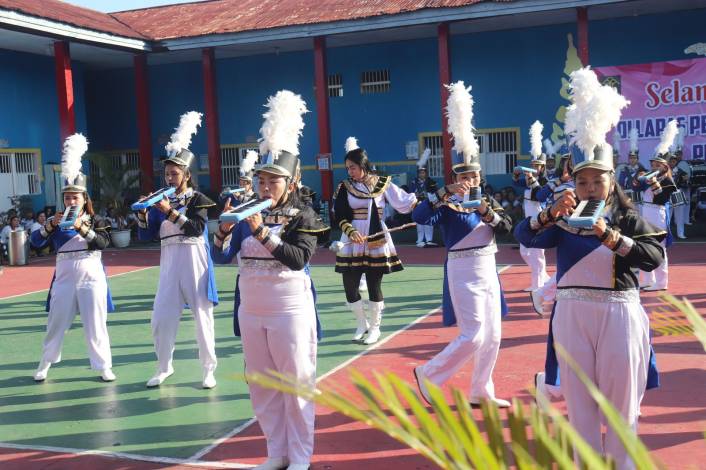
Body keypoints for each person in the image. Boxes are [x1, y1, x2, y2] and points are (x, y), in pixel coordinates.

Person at [212, 90, 328, 470]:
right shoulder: (247, 213)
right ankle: (276, 452)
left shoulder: (304, 215)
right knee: (261, 386)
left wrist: (264, 233)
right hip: (252, 310)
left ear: (290, 183)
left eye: (273, 181)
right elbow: (221, 257)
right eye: (261, 180)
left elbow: (298, 259)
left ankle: (300, 456)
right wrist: (224, 230)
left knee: (295, 385)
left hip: (289, 310)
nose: (265, 187)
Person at [412, 157, 513, 409]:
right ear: (456, 180)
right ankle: (429, 373)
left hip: (488, 267)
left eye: (474, 176)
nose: (470, 181)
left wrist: (484, 210)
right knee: (474, 334)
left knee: (493, 335)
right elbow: (420, 215)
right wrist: (444, 192)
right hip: (463, 269)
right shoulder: (447, 205)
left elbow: (507, 228)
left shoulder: (487, 202)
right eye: (464, 177)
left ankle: (481, 390)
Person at [136, 111, 219, 389]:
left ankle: (208, 370)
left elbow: (196, 228)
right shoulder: (160, 200)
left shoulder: (199, 199)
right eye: (167, 173)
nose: (170, 178)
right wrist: (143, 215)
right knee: (161, 316)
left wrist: (169, 211)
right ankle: (164, 366)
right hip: (169, 259)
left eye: (175, 173)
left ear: (186, 175)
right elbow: (147, 235)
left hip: (195, 259)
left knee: (202, 317)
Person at [30, 133, 115, 382]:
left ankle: (103, 366)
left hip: (91, 276)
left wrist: (81, 227)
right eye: (67, 197)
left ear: (84, 198)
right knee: (56, 324)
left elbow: (102, 243)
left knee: (96, 324)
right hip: (64, 277)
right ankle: (45, 363)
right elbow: (35, 244)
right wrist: (48, 227)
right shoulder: (55, 222)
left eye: (75, 197)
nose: (70, 200)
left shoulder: (95, 219)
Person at [334, 137, 418, 344]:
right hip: (353, 238)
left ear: (363, 165)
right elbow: (340, 214)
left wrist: (426, 204)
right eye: (347, 168)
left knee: (373, 284)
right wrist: (350, 231)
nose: (350, 172)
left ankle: (375, 328)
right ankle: (361, 323)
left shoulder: (383, 183)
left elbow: (404, 202)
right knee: (350, 286)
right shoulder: (345, 186)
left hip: (376, 238)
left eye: (353, 167)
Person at [637, 147, 676, 291]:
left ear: (664, 166)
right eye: (652, 164)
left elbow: (661, 198)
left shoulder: (668, 180)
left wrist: (653, 182)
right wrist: (638, 177)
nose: (654, 167)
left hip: (657, 213)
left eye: (657, 165)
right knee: (645, 245)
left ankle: (661, 282)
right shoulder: (649, 175)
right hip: (645, 211)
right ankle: (648, 280)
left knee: (659, 247)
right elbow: (635, 188)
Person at [407, 150, 438, 247]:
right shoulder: (413, 182)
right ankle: (420, 239)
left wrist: (428, 195)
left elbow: (435, 192)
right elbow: (411, 192)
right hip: (418, 204)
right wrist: (415, 194)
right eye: (420, 172)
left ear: (426, 173)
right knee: (419, 222)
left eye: (423, 172)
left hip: (428, 204)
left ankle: (429, 240)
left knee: (429, 222)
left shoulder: (431, 181)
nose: (421, 174)